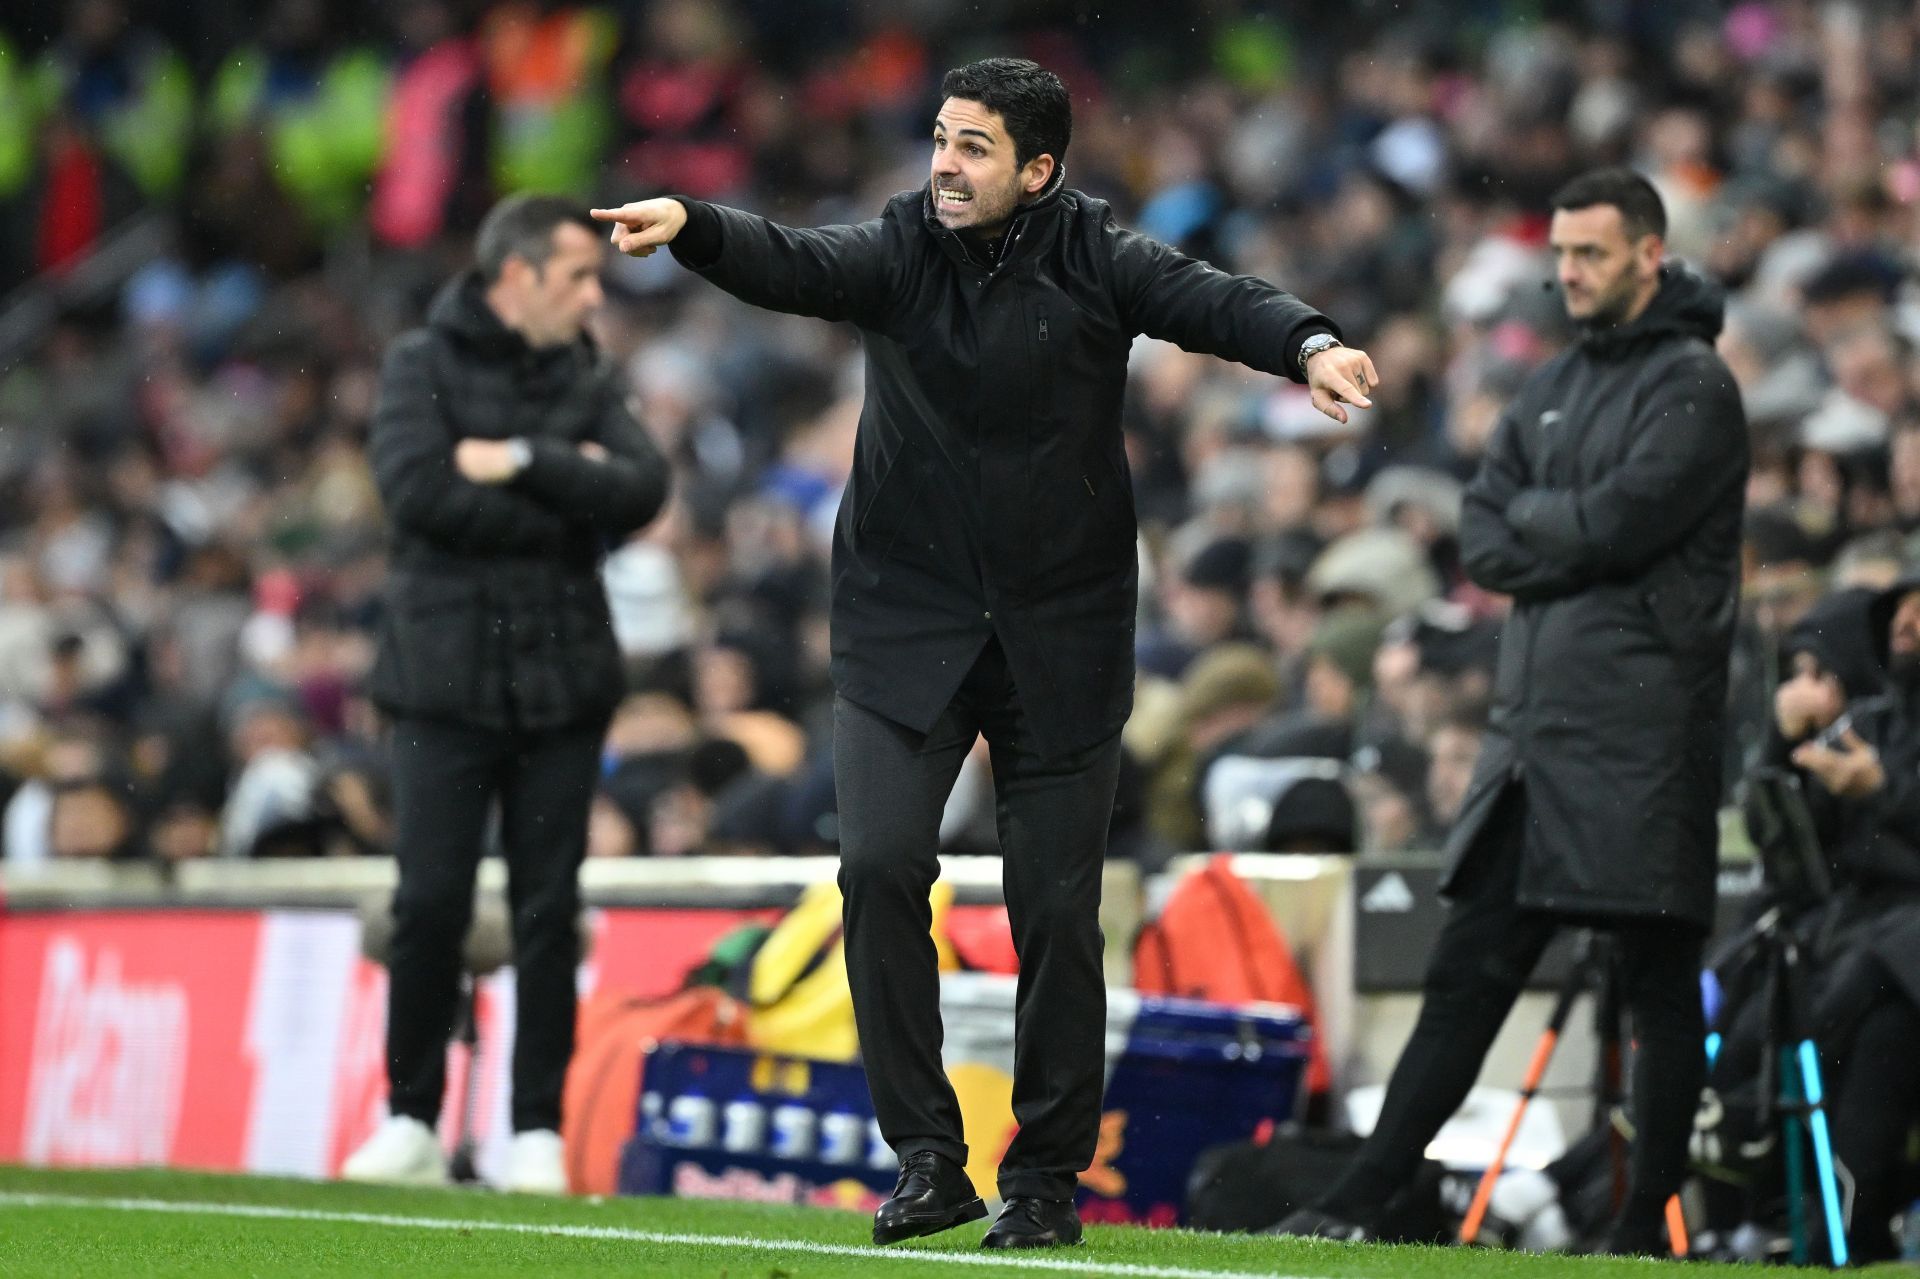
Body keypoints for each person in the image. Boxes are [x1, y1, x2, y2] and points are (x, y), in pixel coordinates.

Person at [594, 57, 1375, 1249]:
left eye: (973, 149)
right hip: (906, 625)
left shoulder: (1102, 258)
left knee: (1057, 914)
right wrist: (699, 225)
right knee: (880, 870)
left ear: (1039, 170)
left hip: (1060, 634)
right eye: (942, 140)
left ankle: (1049, 1178)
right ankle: (924, 1157)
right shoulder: (902, 248)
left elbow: (1218, 301)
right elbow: (796, 260)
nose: (944, 166)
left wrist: (1311, 342)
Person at [1275, 169, 1749, 1254]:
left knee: (1655, 984)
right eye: (1562, 255)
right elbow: (1484, 536)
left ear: (1648, 254)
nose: (1570, 274)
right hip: (1532, 738)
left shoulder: (1694, 386)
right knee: (1466, 973)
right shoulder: (1554, 384)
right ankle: (1364, 1195)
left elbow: (1617, 528)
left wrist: (1547, 530)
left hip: (1642, 733)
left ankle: (1642, 1225)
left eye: (1592, 254)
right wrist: (1555, 529)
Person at [342, 194, 669, 1192]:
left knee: (547, 909)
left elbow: (645, 488)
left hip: (565, 682)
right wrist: (572, 492)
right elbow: (419, 494)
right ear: (517, 274)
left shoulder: (586, 369)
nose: (592, 293)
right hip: (444, 681)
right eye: (575, 275)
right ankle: (410, 1118)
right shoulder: (419, 365)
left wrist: (523, 463)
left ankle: (535, 1126)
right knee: (430, 902)